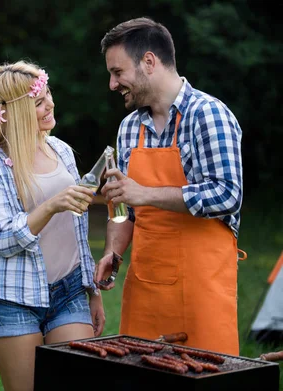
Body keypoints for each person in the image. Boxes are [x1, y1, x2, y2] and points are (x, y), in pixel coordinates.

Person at [95, 17, 244, 355]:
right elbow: (126, 210)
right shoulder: (129, 128)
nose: (112, 84)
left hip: (202, 290)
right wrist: (113, 253)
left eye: (118, 72)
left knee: (204, 381)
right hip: (146, 287)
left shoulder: (208, 115)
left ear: (149, 62)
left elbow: (228, 194)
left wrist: (145, 193)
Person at [0, 60, 106, 391]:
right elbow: (4, 238)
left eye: (49, 96)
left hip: (70, 291)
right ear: (16, 112)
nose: (51, 105)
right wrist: (51, 205)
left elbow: (78, 227)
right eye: (40, 102)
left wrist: (92, 288)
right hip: (16, 300)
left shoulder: (60, 149)